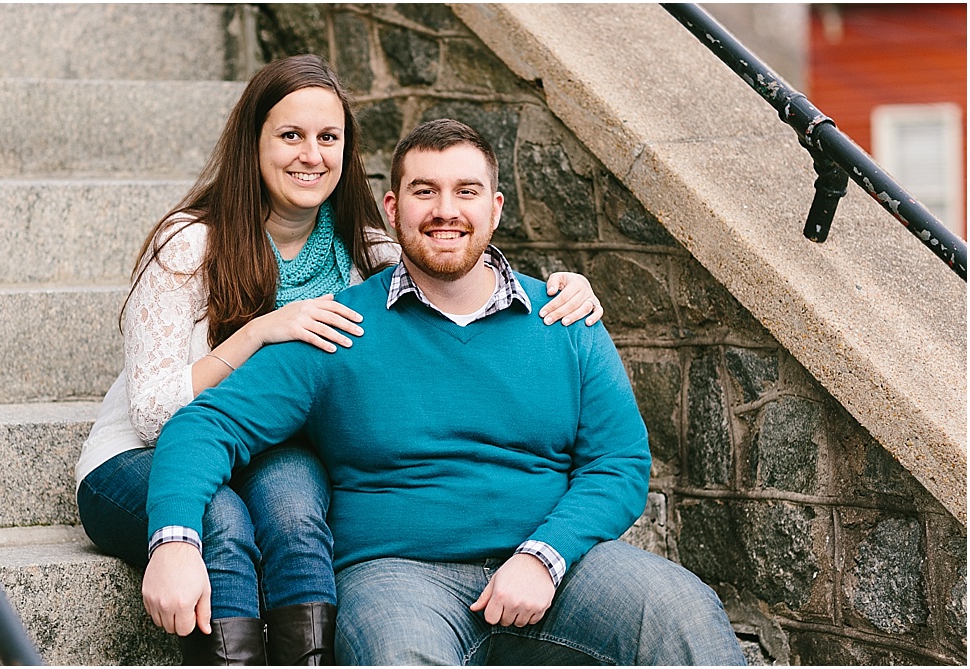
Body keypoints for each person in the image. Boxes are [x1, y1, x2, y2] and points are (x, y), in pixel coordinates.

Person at [141, 118, 746, 665]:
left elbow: (618, 463)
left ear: (496, 207)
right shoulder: (338, 327)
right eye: (424, 191)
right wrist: (174, 540)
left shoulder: (563, 319)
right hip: (397, 577)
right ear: (393, 206)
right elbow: (205, 425)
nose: (444, 210)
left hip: (561, 566)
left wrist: (544, 556)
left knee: (683, 609)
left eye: (466, 191)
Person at [74, 58, 605, 666]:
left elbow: (457, 253)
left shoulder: (366, 248)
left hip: (275, 451)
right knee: (220, 521)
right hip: (141, 457)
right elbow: (151, 415)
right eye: (290, 135)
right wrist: (255, 335)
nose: (311, 154)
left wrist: (566, 289)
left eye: (328, 138)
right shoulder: (190, 243)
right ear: (254, 142)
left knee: (299, 517)